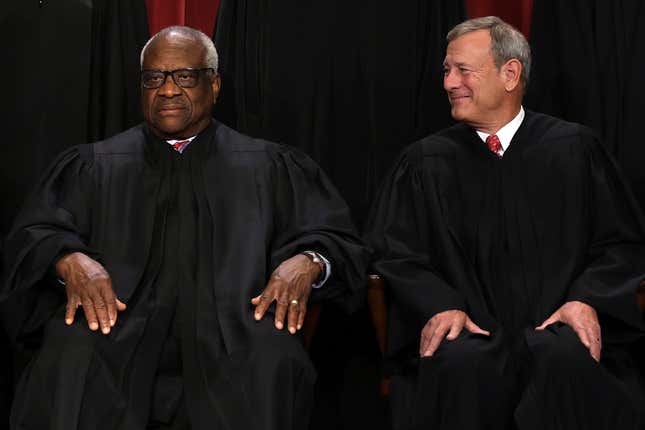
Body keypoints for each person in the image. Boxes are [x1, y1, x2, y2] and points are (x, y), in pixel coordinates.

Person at [0, 26, 368, 430]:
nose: (168, 90)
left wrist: (309, 261)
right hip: (114, 329)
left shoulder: (269, 167)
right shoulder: (94, 166)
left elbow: (338, 240)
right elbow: (34, 233)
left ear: (214, 84)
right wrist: (67, 258)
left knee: (272, 358)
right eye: (153, 78)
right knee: (69, 352)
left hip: (236, 331)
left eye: (184, 76)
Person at [365, 16, 645, 430]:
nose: (448, 83)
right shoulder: (425, 162)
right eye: (446, 70)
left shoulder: (574, 150)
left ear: (510, 73)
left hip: (558, 330)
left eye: (463, 70)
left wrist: (586, 298)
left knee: (568, 359)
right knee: (459, 365)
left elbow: (621, 243)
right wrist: (439, 304)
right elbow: (394, 252)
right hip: (468, 333)